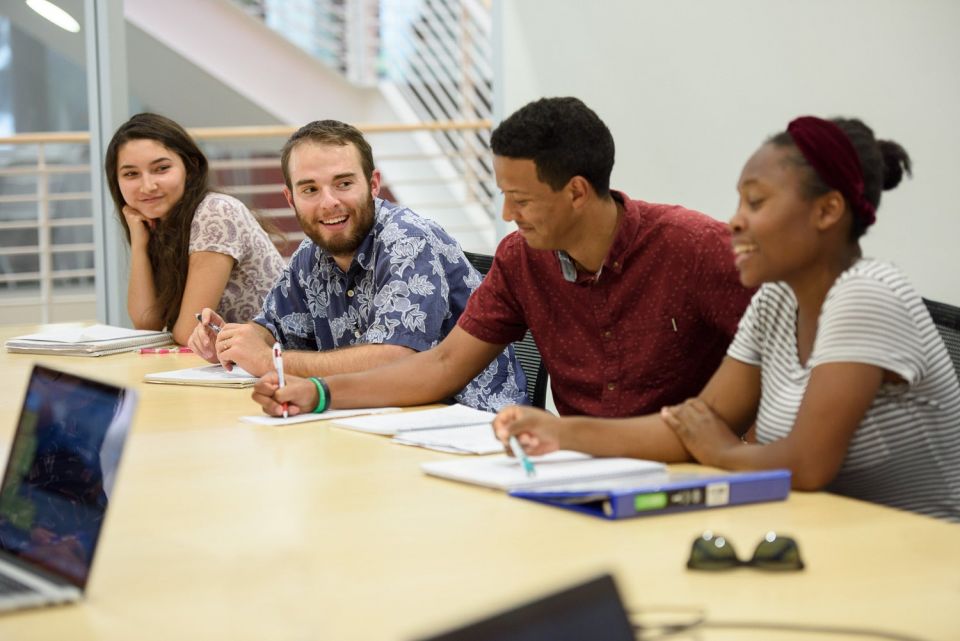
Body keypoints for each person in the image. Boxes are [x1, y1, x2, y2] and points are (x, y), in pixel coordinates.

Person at [493, 116, 960, 522]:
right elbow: (689, 427)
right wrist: (558, 431)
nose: (735, 222)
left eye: (755, 203)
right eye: (738, 203)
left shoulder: (867, 294)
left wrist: (724, 451)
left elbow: (808, 463)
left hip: (924, 554)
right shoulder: (776, 300)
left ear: (827, 211)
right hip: (824, 535)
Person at [251, 98, 751, 421]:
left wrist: (746, 454)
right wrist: (318, 393)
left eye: (522, 199)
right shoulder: (521, 260)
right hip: (580, 463)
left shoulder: (693, 246)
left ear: (576, 192)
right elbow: (442, 365)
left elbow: (784, 353)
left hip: (690, 466)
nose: (508, 214)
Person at [189, 120, 526, 412]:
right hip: (372, 415)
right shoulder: (311, 253)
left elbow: (395, 359)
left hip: (467, 423)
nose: (329, 202)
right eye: (310, 189)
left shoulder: (408, 241)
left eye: (344, 183)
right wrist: (234, 339)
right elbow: (273, 327)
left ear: (373, 184)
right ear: (291, 198)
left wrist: (268, 361)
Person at [105, 113, 285, 345]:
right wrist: (140, 244)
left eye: (161, 169)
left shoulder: (215, 212)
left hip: (278, 365)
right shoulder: (163, 224)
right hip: (234, 366)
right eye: (131, 174)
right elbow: (146, 324)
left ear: (190, 167)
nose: (147, 186)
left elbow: (189, 333)